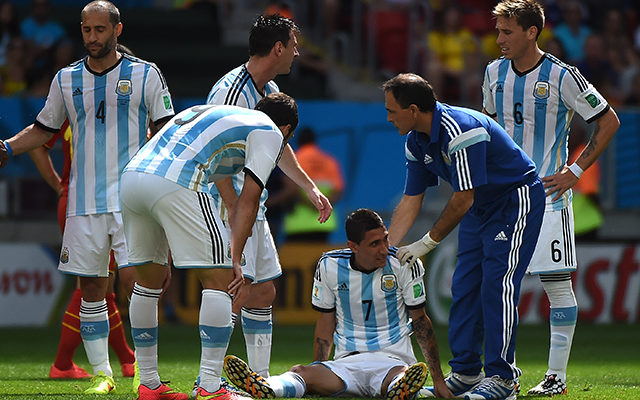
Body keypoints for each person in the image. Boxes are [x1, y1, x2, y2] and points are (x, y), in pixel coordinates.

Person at [0, 1, 175, 394]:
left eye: (100, 29)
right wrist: (8, 147)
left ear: (117, 29)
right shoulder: (66, 78)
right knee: (92, 289)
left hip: (132, 200)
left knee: (139, 286)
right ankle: (103, 375)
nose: (93, 37)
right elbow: (44, 129)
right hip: (83, 202)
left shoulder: (145, 74)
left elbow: (167, 130)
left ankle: (146, 375)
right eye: (86, 29)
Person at [121, 93, 328, 400]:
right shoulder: (270, 132)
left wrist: (308, 186)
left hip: (132, 178)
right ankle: (210, 387)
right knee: (222, 281)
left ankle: (149, 385)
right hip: (178, 181)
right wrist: (236, 257)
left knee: (148, 283)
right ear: (286, 130)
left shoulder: (221, 115)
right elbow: (249, 199)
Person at [482, 0, 620, 395]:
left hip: (547, 199)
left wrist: (575, 171)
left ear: (531, 32)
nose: (499, 39)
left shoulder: (562, 75)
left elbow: (608, 121)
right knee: (495, 287)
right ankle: (501, 373)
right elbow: (488, 128)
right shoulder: (493, 73)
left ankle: (556, 377)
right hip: (504, 200)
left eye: (507, 32)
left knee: (557, 286)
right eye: (498, 31)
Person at [382, 73, 544, 400]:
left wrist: (425, 243)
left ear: (413, 110)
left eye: (391, 111)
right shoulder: (416, 141)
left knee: (497, 285)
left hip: (513, 200)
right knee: (464, 286)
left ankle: (503, 379)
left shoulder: (461, 130)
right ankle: (467, 373)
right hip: (479, 206)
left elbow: (462, 198)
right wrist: (387, 250)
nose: (388, 118)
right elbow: (412, 199)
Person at [201, 13, 332, 390]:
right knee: (233, 290)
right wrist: (231, 205)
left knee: (263, 292)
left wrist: (309, 187)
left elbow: (277, 144)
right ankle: (207, 381)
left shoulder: (269, 89)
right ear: (278, 48)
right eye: (293, 46)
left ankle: (257, 380)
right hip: (227, 205)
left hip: (251, 207)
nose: (297, 53)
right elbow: (212, 154)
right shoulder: (230, 93)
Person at [223, 208, 454, 399]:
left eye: (385, 239)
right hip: (346, 365)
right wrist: (318, 367)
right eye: (375, 244)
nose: (384, 249)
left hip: (392, 363)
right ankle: (268, 388)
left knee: (400, 377)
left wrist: (438, 381)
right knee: (302, 372)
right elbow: (326, 322)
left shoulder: (404, 264)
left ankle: (400, 388)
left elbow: (420, 322)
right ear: (353, 246)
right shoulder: (329, 265)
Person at [28, 118, 135, 380]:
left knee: (103, 286)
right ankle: (63, 363)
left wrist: (59, 186)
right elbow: (35, 144)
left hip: (81, 200)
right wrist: (58, 184)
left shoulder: (73, 111)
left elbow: (36, 144)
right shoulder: (116, 116)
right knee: (91, 284)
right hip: (92, 204)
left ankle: (126, 359)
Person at [284, 127, 344, 242]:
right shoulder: (329, 161)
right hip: (324, 222)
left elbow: (291, 189)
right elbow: (338, 190)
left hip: (297, 223)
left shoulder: (294, 159)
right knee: (319, 253)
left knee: (295, 254)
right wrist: (321, 206)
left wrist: (311, 203)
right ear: (315, 140)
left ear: (298, 140)